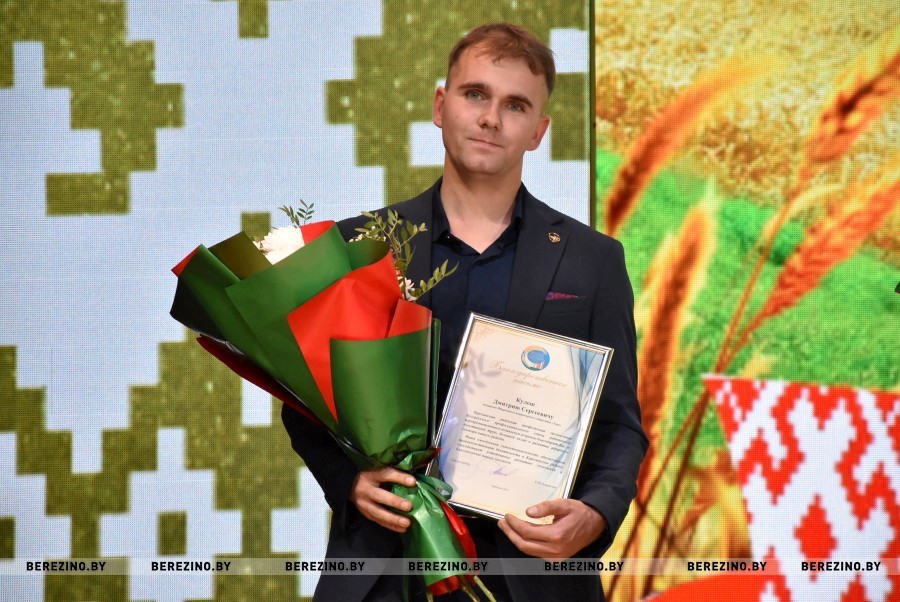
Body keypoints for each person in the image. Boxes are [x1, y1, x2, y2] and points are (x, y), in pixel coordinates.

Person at [282, 23, 647, 601]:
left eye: (516, 105)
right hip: (386, 567)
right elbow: (307, 402)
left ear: (539, 131)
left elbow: (620, 423)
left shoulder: (593, 261)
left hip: (532, 569)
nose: (491, 118)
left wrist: (596, 513)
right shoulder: (363, 246)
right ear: (440, 105)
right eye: (475, 94)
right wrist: (349, 480)